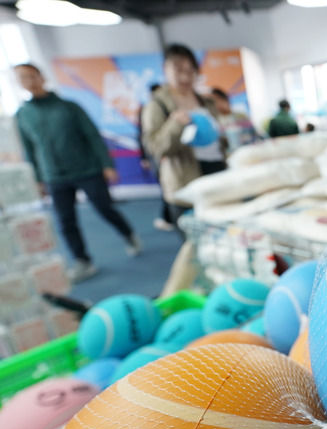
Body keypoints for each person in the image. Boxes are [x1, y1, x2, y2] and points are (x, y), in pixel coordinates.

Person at [14, 63, 141, 283]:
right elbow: (29, 150)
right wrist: (36, 180)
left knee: (104, 208)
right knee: (65, 221)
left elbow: (92, 135)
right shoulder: (23, 115)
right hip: (54, 176)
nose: (29, 81)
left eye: (31, 76)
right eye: (22, 78)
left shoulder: (69, 107)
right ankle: (82, 261)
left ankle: (128, 234)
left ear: (41, 77)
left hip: (87, 169)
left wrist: (107, 165)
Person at [141, 43, 226, 227]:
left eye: (190, 70)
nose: (185, 76)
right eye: (178, 70)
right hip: (184, 180)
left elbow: (220, 138)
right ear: (165, 69)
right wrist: (175, 124)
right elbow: (155, 147)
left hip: (217, 173)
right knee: (196, 236)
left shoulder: (206, 102)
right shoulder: (156, 106)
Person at [138, 83, 173, 232]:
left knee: (169, 187)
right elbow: (143, 136)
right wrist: (144, 157)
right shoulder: (148, 109)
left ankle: (168, 217)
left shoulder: (170, 107)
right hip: (156, 155)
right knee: (166, 186)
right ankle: (167, 218)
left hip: (171, 154)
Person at [208, 87, 259, 154]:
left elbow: (255, 135)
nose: (218, 103)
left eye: (219, 99)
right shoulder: (215, 122)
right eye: (214, 101)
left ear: (226, 99)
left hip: (249, 153)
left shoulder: (241, 116)